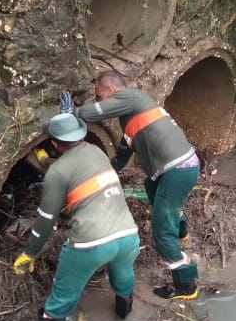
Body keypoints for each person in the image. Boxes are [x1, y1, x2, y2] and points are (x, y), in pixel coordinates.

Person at [12, 112, 140, 321]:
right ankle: (125, 320)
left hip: (90, 245)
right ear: (80, 136)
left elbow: (46, 220)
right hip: (128, 235)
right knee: (123, 280)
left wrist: (30, 253)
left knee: (61, 300)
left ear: (53, 143)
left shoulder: (57, 173)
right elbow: (80, 173)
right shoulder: (96, 151)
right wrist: (51, 165)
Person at [76, 72, 200, 301]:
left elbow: (91, 114)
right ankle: (181, 230)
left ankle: (186, 284)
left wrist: (72, 114)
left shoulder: (131, 97)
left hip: (178, 170)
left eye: (98, 95)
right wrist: (106, 173)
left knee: (162, 233)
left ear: (111, 91)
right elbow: (123, 153)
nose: (98, 99)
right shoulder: (133, 116)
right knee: (150, 185)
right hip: (178, 168)